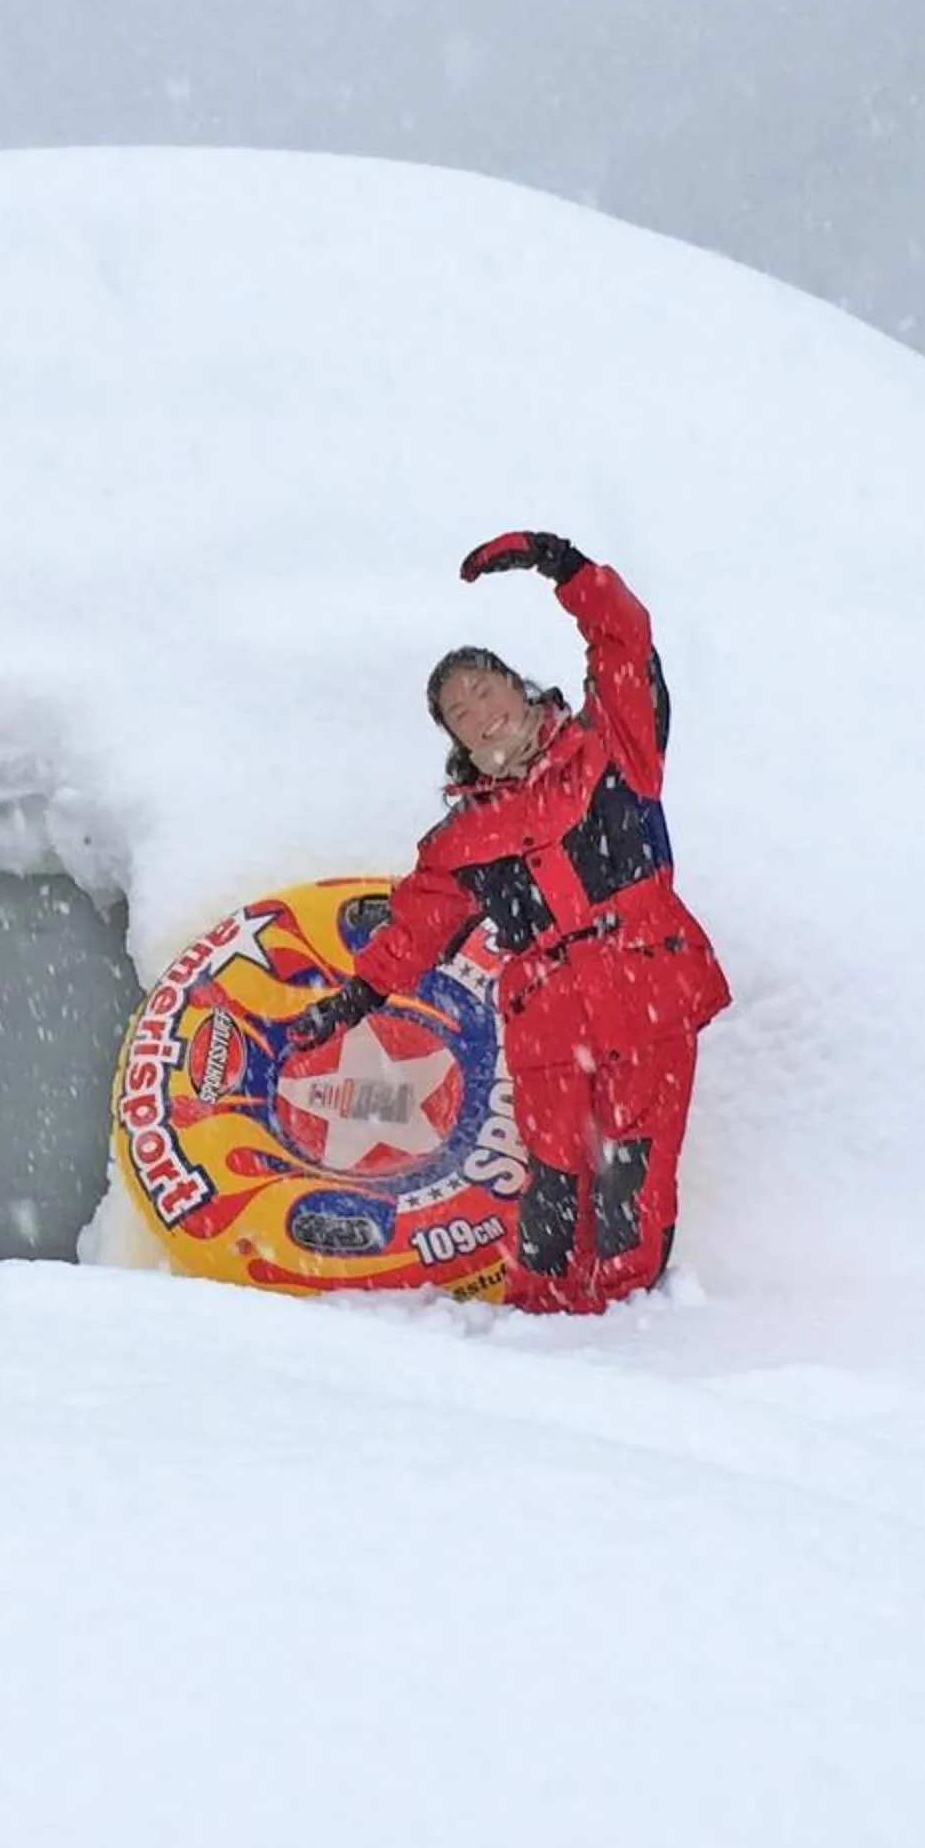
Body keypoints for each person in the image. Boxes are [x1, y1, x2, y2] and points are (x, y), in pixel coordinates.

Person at [287, 530, 729, 1314]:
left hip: (645, 987)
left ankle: (633, 1331)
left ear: (519, 688)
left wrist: (562, 565)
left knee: (630, 1170)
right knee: (554, 1184)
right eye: (459, 712)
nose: (480, 714)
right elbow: (413, 934)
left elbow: (624, 641)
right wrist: (351, 1001)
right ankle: (538, 1334)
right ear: (453, 740)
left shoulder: (611, 743)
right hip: (548, 1021)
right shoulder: (460, 842)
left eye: (485, 691)